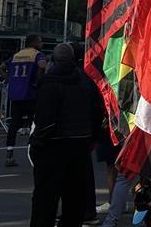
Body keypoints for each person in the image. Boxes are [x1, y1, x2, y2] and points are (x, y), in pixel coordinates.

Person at [30, 43, 104, 227]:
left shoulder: (49, 83)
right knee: (74, 200)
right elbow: (98, 112)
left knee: (45, 200)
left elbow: (43, 119)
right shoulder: (86, 82)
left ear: (53, 60)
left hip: (52, 146)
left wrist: (38, 141)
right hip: (80, 145)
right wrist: (92, 138)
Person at [0, 33, 46, 167]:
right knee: (35, 123)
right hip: (31, 93)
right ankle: (35, 153)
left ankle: (9, 154)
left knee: (14, 124)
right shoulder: (37, 55)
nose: (42, 44)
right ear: (34, 43)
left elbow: (1, 68)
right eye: (40, 42)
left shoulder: (16, 55)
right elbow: (42, 66)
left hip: (16, 94)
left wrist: (11, 80)